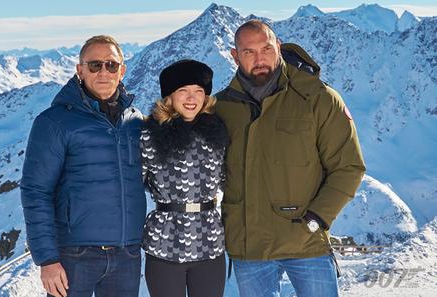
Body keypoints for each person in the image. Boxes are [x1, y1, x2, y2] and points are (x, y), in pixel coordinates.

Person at [215, 20, 366, 297]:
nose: (259, 58)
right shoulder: (221, 107)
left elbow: (349, 167)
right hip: (249, 249)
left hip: (306, 244)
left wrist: (317, 219)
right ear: (235, 56)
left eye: (266, 49)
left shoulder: (318, 99)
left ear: (279, 48)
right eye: (249, 52)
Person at [20, 35, 146, 297]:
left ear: (122, 70)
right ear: (80, 70)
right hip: (73, 256)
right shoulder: (55, 122)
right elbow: (36, 191)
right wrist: (47, 260)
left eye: (111, 65)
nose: (103, 72)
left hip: (126, 255)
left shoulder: (135, 121)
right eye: (94, 65)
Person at [140, 59, 228, 297]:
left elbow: (230, 182)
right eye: (183, 91)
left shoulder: (217, 135)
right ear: (169, 96)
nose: (192, 98)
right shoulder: (149, 136)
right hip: (165, 242)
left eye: (199, 91)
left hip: (209, 241)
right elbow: (132, 185)